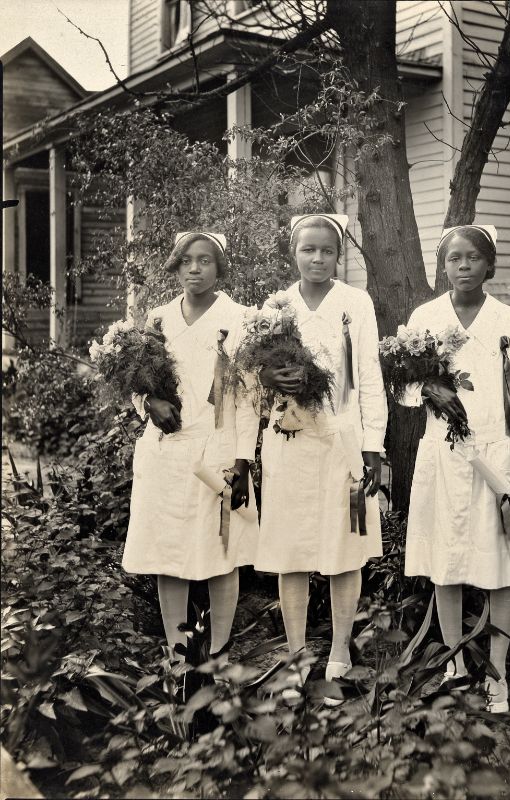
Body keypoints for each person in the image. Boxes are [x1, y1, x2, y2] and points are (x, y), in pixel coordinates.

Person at [400, 224, 510, 712]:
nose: (463, 266)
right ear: (443, 266)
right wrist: (427, 390)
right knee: (448, 563)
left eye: (473, 258)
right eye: (454, 258)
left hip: (496, 458)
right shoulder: (425, 318)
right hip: (443, 455)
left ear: (489, 265)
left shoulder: (508, 321)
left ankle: (497, 673)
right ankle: (455, 663)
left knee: (501, 567)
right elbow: (402, 388)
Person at [254, 213, 387, 701]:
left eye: (327, 250)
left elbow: (368, 375)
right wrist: (268, 380)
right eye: (308, 249)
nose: (317, 258)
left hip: (341, 440)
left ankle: (339, 652)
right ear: (294, 252)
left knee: (342, 548)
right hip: (288, 439)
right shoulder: (276, 306)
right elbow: (250, 376)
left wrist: (373, 443)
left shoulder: (356, 303)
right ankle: (294, 656)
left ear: (339, 255)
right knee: (292, 550)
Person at [122, 230, 260, 666]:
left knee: (223, 552)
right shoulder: (158, 320)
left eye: (204, 261)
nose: (195, 269)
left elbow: (249, 396)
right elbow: (134, 381)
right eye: (186, 261)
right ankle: (177, 655)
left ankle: (219, 652)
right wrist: (149, 403)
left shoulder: (240, 318)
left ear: (220, 268)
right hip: (165, 450)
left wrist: (243, 461)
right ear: (175, 266)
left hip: (216, 449)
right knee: (169, 554)